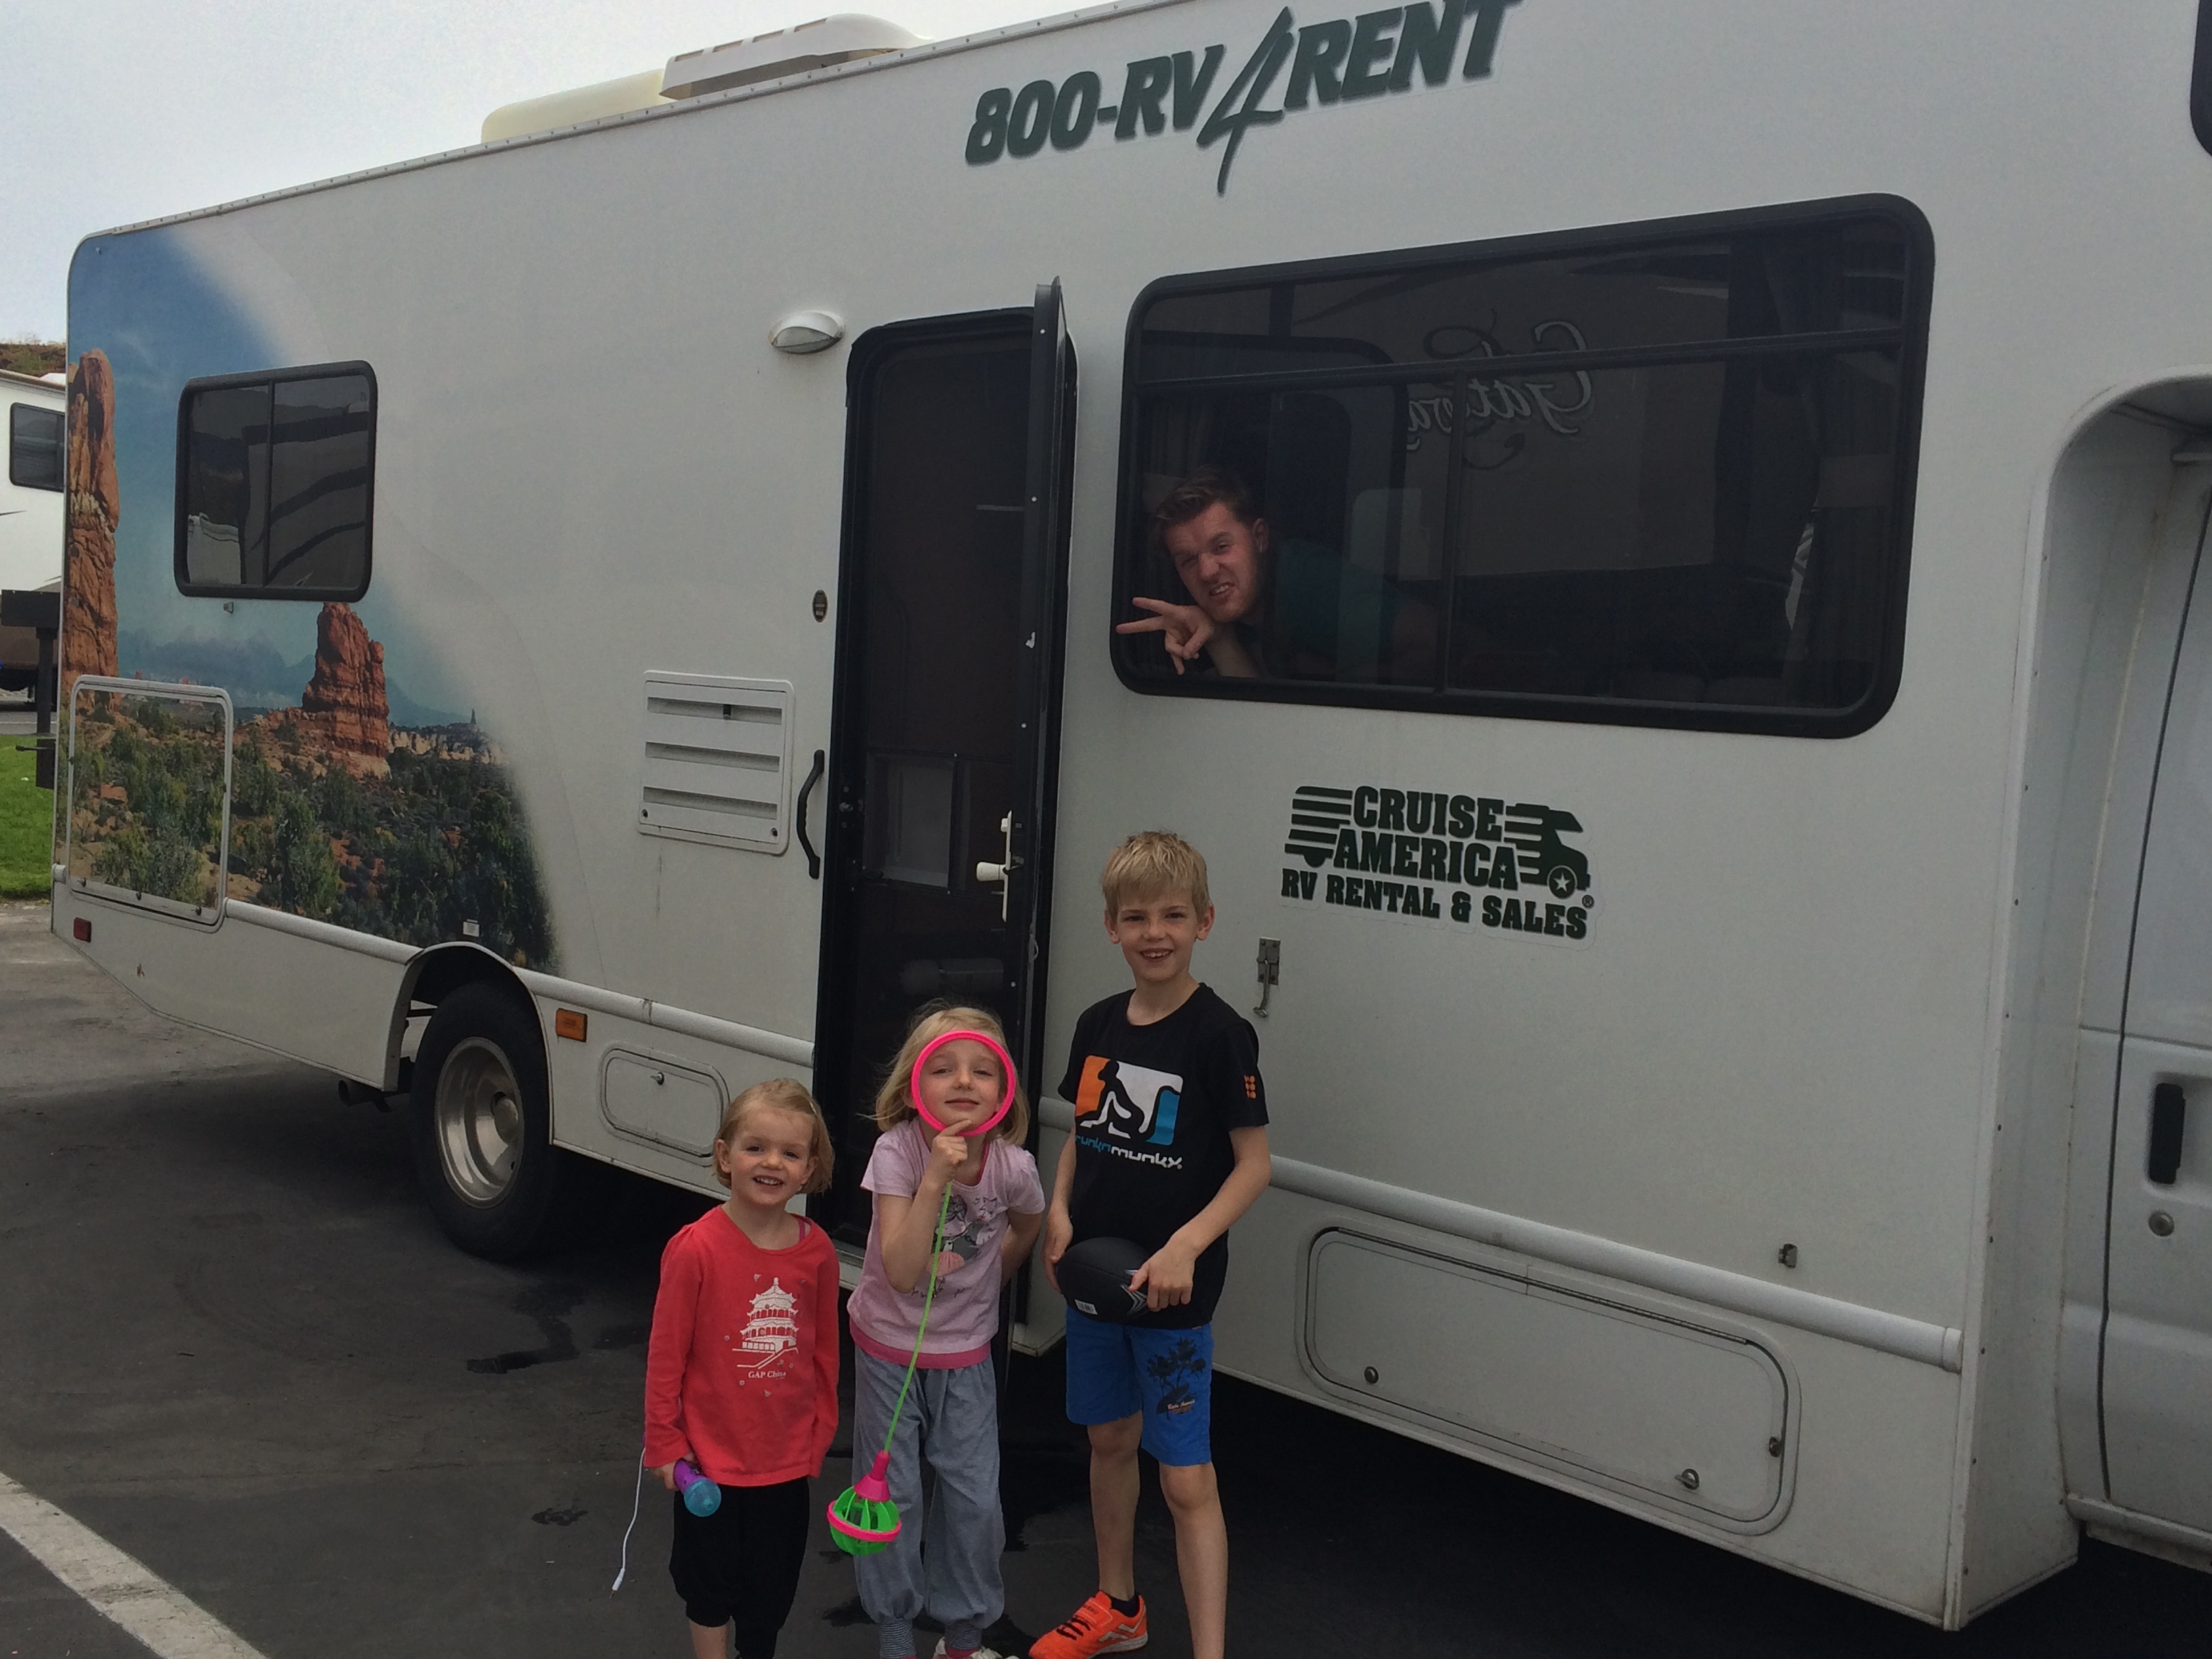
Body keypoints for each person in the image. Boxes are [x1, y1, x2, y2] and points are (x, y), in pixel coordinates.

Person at [1031, 833, 1272, 1659]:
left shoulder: (1219, 1035)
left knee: (1184, 1478)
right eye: (1136, 918)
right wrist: (1059, 1212)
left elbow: (1254, 1165)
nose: (1154, 933)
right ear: (1111, 927)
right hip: (1096, 1281)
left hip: (1173, 1295)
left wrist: (1186, 1248)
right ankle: (1119, 1607)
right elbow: (1082, 1132)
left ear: (1205, 921)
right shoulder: (1098, 1023)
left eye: (1173, 915)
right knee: (1108, 1441)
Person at [847, 1005, 1046, 1659]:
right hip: (889, 1349)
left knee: (973, 1503)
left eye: (982, 1071)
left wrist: (991, 1279)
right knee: (894, 1495)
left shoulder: (1014, 1168)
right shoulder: (897, 1152)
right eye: (943, 1069)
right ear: (913, 1088)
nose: (964, 1081)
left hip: (964, 1356)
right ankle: (896, 1633)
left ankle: (962, 1640)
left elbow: (1028, 1223)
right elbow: (904, 1272)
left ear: (1004, 1091)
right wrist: (935, 1176)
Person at [644, 1079, 840, 1659]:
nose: (772, 1163)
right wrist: (665, 1443)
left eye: (790, 1153)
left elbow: (824, 1353)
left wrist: (819, 1433)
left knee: (770, 1594)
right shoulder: (695, 1248)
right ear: (725, 1155)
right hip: (708, 1462)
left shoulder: (818, 1252)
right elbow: (666, 1356)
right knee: (708, 1589)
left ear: (809, 1170)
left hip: (783, 1463)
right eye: (756, 1147)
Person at [1115, 464, 1435, 682]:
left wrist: (1339, 678)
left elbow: (1438, 641)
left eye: (1222, 547)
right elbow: (1254, 707)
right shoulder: (1243, 610)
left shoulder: (1307, 583)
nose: (1208, 571)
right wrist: (1219, 638)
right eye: (1188, 561)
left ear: (1259, 538)